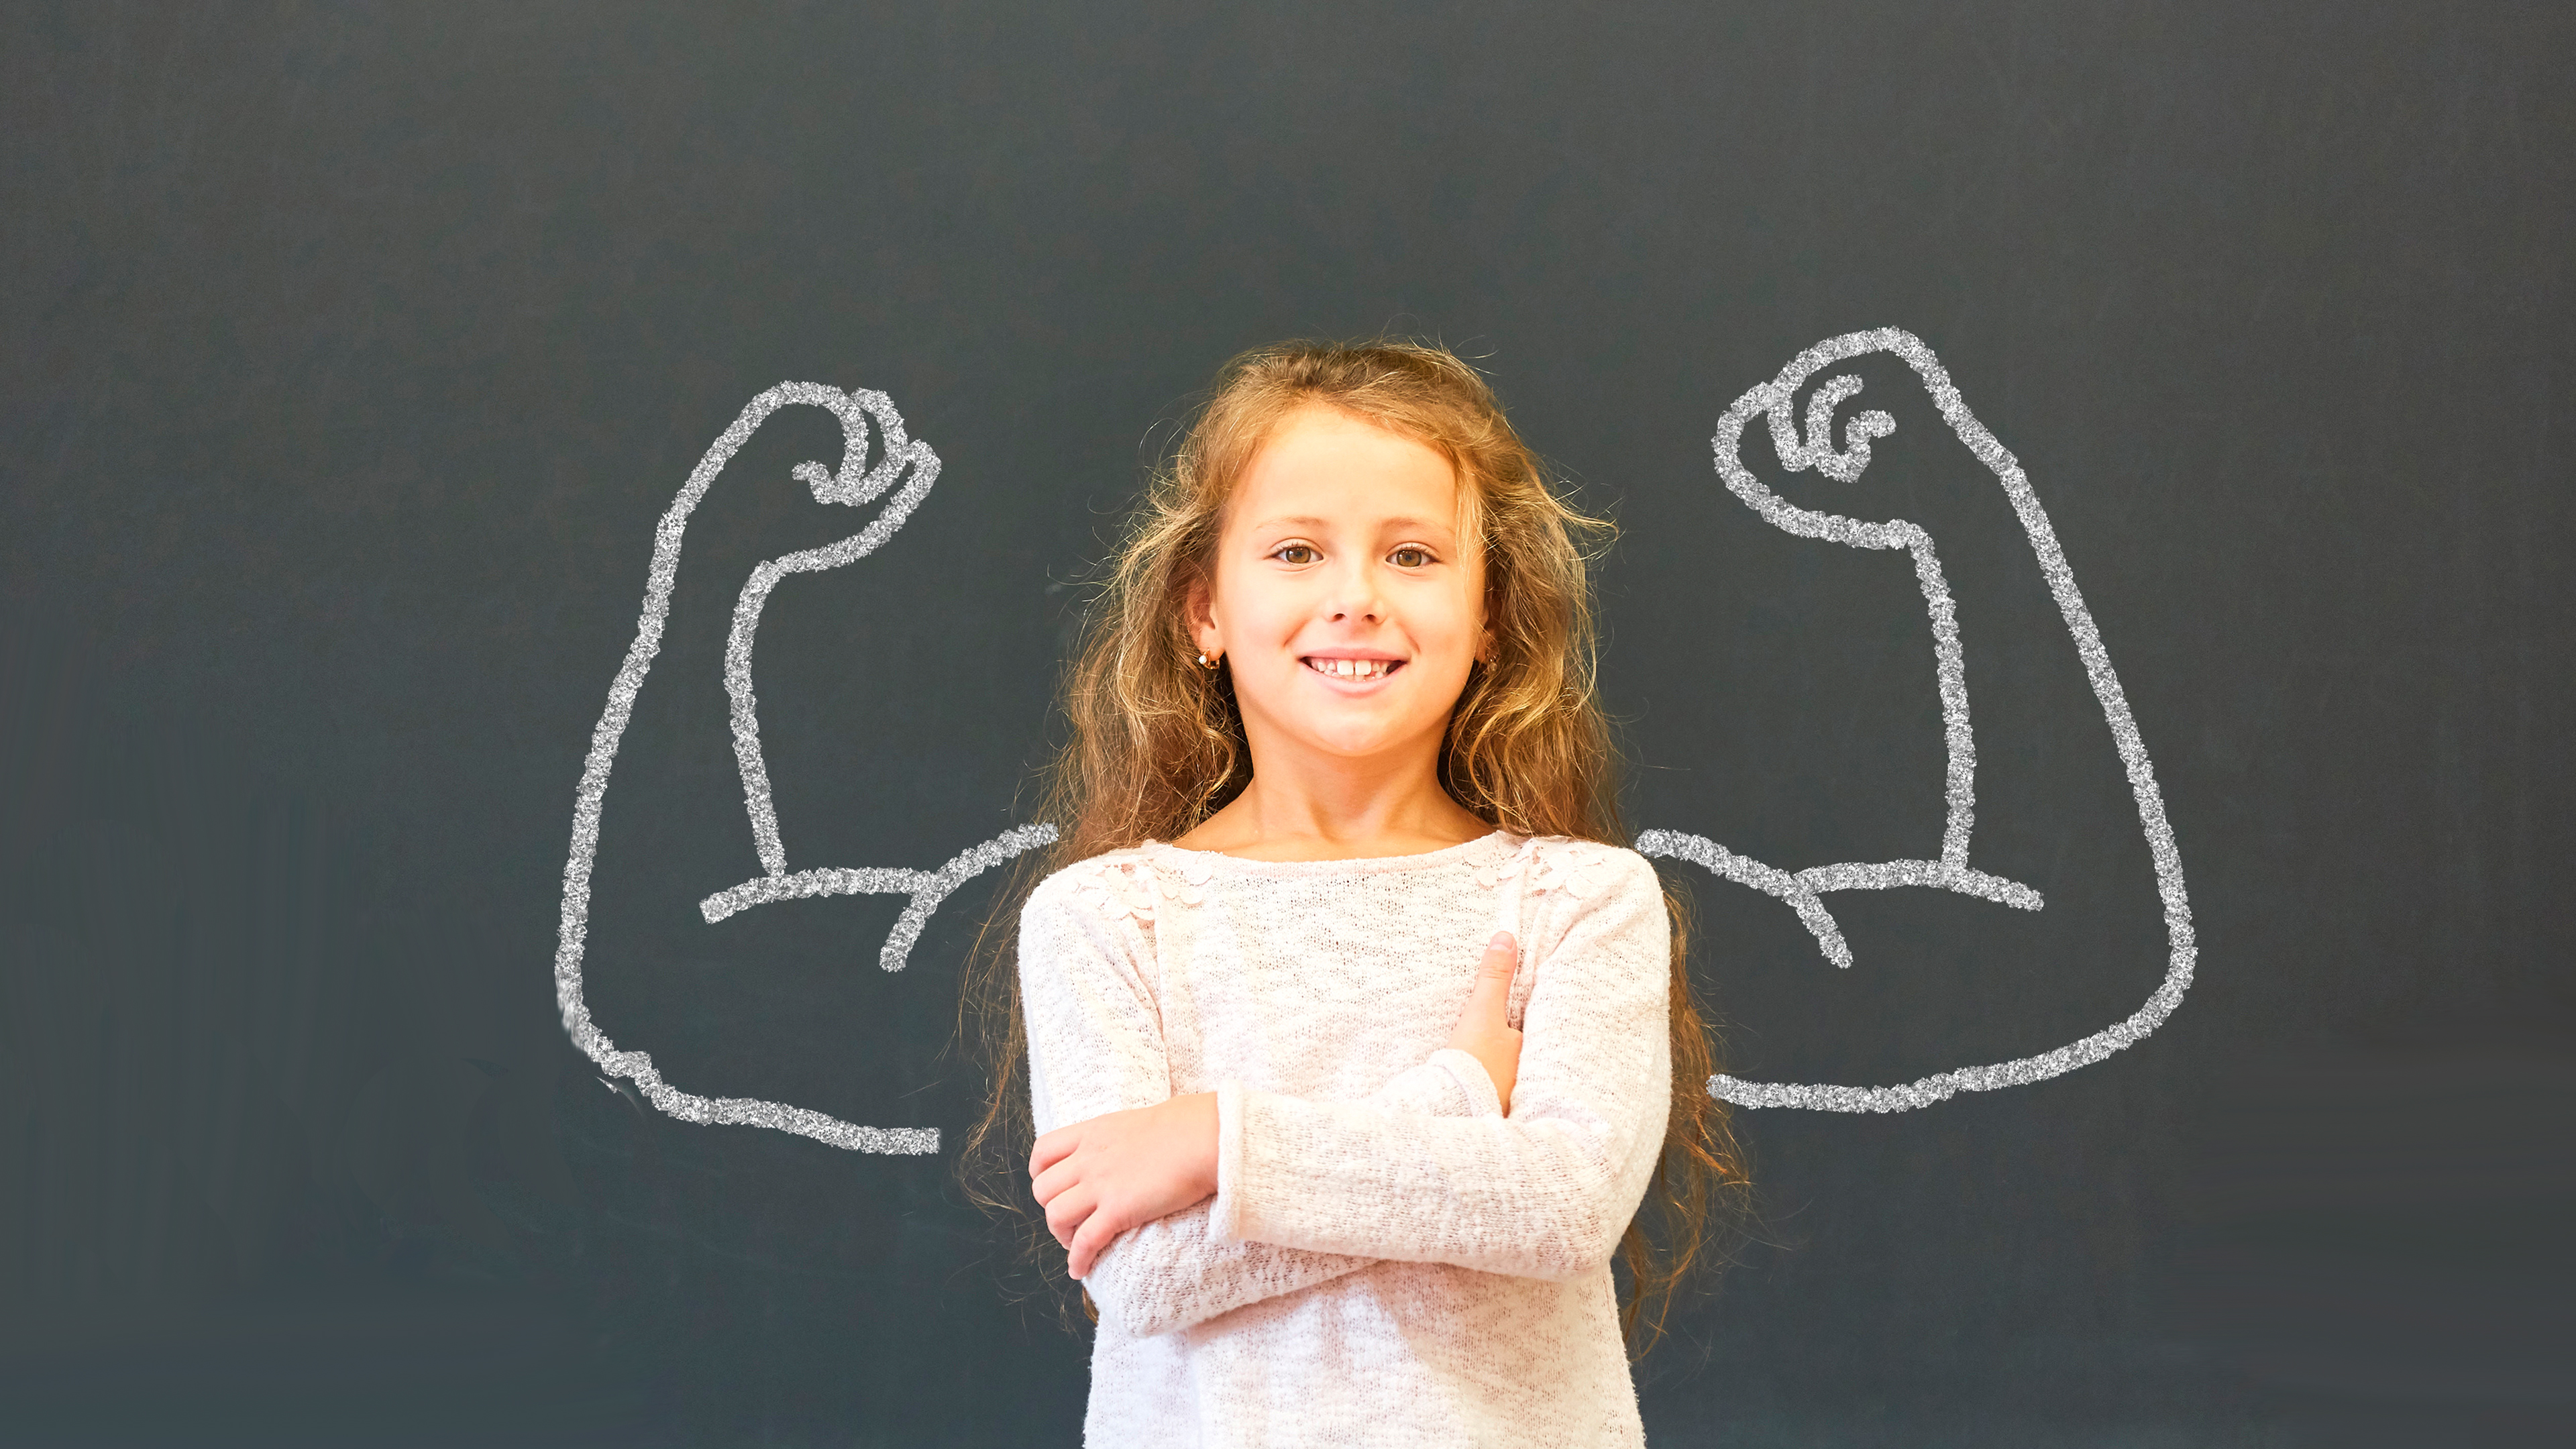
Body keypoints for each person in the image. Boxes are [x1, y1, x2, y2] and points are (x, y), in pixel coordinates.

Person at [957, 339, 1745, 1446]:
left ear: (1489, 619)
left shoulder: (1578, 902)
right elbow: (1147, 1278)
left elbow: (1562, 1204)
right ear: (1204, 612)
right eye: (1295, 551)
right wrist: (1460, 1097)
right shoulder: (1105, 919)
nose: (1357, 599)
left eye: (1414, 556)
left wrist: (1218, 1149)